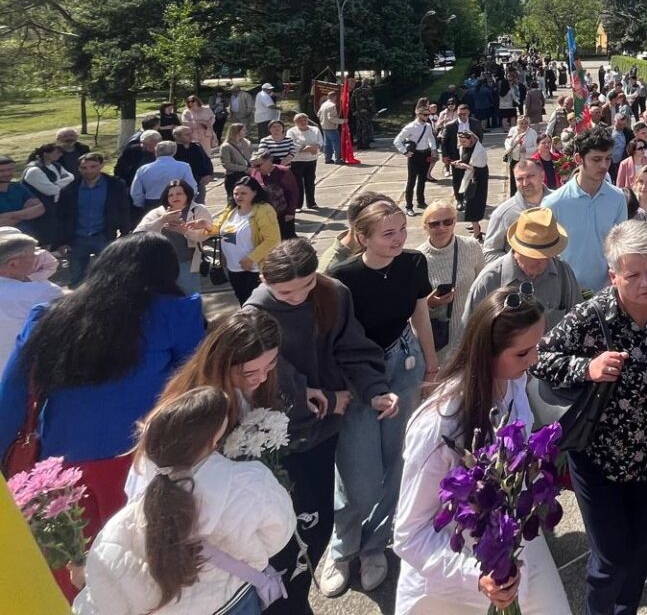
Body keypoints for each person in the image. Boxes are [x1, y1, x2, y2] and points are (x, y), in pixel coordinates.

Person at [533, 221, 647, 615]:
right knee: (610, 558)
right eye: (633, 275)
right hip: (598, 458)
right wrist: (586, 368)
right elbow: (539, 358)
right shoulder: (590, 317)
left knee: (641, 549)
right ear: (613, 276)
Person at [0, 233, 204, 543]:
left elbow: (12, 392)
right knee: (141, 554)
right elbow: (197, 383)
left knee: (72, 556)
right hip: (143, 458)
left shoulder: (48, 315)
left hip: (61, 458)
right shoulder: (177, 312)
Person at [394, 285, 573, 615]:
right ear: (487, 352)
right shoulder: (438, 426)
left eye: (538, 346)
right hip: (451, 580)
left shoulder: (513, 380)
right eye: (523, 353)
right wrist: (476, 577)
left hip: (511, 547)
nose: (535, 359)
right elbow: (409, 535)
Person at [252, 239, 396, 609]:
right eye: (286, 291)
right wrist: (326, 400)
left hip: (341, 413)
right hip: (293, 430)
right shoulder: (256, 312)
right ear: (264, 281)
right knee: (308, 514)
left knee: (361, 488)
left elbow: (352, 347)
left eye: (307, 285)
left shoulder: (334, 293)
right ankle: (318, 569)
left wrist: (375, 389)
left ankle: (358, 547)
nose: (298, 297)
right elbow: (274, 378)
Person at [73, 386, 295, 615]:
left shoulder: (118, 530)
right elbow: (279, 534)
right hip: (235, 601)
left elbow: (102, 603)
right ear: (214, 440)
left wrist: (84, 578)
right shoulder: (249, 483)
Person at [320, 196, 437, 599]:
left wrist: (432, 367)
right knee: (358, 473)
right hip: (356, 376)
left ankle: (374, 545)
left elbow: (420, 315)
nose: (400, 238)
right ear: (362, 237)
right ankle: (342, 548)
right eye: (389, 233)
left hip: (404, 364)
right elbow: (332, 339)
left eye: (402, 229)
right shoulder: (341, 279)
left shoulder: (414, 263)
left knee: (397, 462)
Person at [463, 208, 581, 333]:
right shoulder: (488, 282)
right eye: (536, 256)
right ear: (518, 249)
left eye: (548, 255)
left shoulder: (563, 273)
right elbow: (469, 337)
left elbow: (578, 323)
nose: (543, 263)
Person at [541, 126, 627, 292]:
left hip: (607, 292)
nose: (604, 165)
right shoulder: (553, 203)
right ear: (579, 159)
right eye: (596, 159)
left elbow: (621, 247)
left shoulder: (618, 198)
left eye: (608, 159)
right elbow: (545, 255)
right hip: (565, 292)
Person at [418, 200, 484, 365]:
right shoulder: (417, 259)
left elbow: (483, 287)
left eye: (447, 222)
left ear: (455, 222)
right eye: (434, 224)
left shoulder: (471, 247)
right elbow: (408, 308)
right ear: (425, 227)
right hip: (438, 341)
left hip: (469, 334)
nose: (442, 227)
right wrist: (429, 304)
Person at [55, 151, 132, 286]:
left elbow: (124, 210)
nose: (89, 171)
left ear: (101, 166)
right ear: (79, 169)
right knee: (76, 278)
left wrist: (125, 234)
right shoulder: (70, 189)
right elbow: (62, 217)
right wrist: (61, 242)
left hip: (104, 235)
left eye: (93, 166)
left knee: (110, 275)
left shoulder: (115, 185)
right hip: (78, 238)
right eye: (84, 168)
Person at [133, 178, 215, 297]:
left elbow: (205, 236)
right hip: (162, 265)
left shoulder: (199, 210)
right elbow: (138, 233)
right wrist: (162, 220)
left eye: (179, 193)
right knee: (165, 299)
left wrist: (185, 231)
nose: (175, 197)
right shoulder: (158, 213)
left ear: (187, 194)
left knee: (190, 297)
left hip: (188, 262)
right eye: (170, 195)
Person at [208, 176, 281, 304]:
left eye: (243, 193)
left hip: (254, 269)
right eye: (236, 193)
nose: (238, 197)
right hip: (234, 268)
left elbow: (273, 239)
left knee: (258, 304)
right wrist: (204, 226)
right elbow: (217, 229)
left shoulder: (263, 210)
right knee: (243, 301)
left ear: (255, 192)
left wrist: (251, 258)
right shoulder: (231, 210)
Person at [0, 231, 63, 362]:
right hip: (17, 367)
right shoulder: (41, 292)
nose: (37, 257)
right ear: (13, 264)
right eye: (33, 255)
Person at [484, 156, 549, 266]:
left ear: (542, 175)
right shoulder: (503, 214)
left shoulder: (561, 203)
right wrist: (520, 263)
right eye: (520, 179)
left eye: (530, 176)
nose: (525, 183)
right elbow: (489, 254)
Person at [128, 140, 197, 223]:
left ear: (156, 152)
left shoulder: (143, 169)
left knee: (154, 228)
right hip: (177, 201)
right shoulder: (183, 167)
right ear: (174, 152)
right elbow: (191, 187)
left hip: (151, 203)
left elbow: (136, 193)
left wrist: (142, 204)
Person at [21, 142, 74, 247]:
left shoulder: (55, 165)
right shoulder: (34, 170)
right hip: (40, 208)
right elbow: (50, 190)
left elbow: (71, 177)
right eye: (57, 152)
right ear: (46, 153)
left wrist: (56, 184)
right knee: (43, 236)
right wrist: (59, 185)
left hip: (54, 206)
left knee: (55, 234)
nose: (60, 155)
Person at [394, 102, 439, 216]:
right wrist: (404, 152)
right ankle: (409, 206)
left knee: (422, 179)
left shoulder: (428, 126)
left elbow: (431, 138)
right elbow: (397, 140)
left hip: (425, 154)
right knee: (411, 181)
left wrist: (433, 149)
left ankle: (421, 201)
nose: (427, 117)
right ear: (418, 114)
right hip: (415, 155)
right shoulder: (410, 127)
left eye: (428, 114)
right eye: (425, 115)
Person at [249, 149, 302, 240]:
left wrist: (290, 212)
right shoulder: (255, 173)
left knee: (287, 240)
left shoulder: (283, 172)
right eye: (253, 166)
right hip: (264, 215)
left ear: (269, 161)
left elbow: (293, 193)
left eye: (258, 165)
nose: (256, 169)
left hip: (283, 214)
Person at [455, 128, 491, 237]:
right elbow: (465, 159)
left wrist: (464, 166)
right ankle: (475, 225)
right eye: (460, 141)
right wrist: (460, 162)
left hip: (478, 179)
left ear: (471, 140)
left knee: (474, 203)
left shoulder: (479, 151)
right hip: (469, 176)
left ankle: (477, 233)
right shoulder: (463, 147)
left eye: (464, 141)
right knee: (469, 201)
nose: (461, 144)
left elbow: (478, 168)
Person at [0, 153, 45, 232]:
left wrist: (11, 215)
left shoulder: (18, 187)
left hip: (25, 235)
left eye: (10, 169)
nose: (7, 173)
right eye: (1, 171)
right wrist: (25, 213)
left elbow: (40, 209)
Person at [288, 113, 323, 210]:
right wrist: (306, 148)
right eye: (300, 121)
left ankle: (311, 203)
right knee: (298, 183)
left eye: (305, 120)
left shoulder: (315, 129)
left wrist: (315, 147)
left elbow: (320, 141)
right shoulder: (291, 131)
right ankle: (297, 205)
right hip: (297, 160)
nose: (303, 122)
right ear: (295, 122)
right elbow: (292, 144)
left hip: (311, 159)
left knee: (310, 182)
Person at [220, 123, 253, 204]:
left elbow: (250, 157)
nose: (246, 131)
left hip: (247, 175)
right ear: (237, 131)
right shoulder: (226, 146)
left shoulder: (246, 143)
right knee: (233, 201)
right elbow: (227, 164)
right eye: (243, 130)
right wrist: (244, 168)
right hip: (233, 176)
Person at [317, 90, 344, 164]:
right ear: (335, 97)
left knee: (327, 144)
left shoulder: (324, 104)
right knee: (337, 143)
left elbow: (318, 114)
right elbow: (331, 118)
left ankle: (328, 159)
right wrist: (342, 121)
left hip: (324, 126)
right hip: (331, 127)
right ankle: (338, 159)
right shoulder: (332, 105)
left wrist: (322, 121)